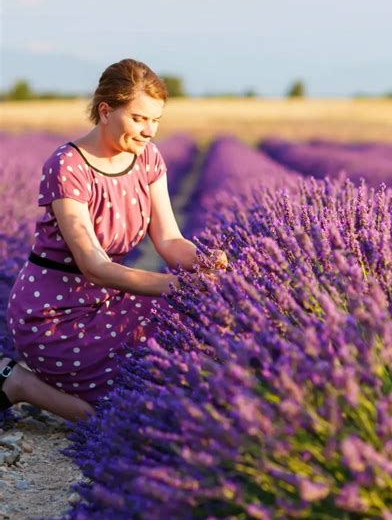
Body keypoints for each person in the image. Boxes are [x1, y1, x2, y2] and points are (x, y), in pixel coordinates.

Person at [1, 59, 227, 423]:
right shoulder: (67, 166)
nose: (148, 131)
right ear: (105, 111)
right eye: (138, 118)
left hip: (107, 303)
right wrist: (176, 285)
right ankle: (20, 383)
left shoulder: (148, 158)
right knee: (117, 417)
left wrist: (205, 264)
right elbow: (95, 266)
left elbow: (169, 239)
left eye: (156, 120)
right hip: (54, 318)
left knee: (184, 337)